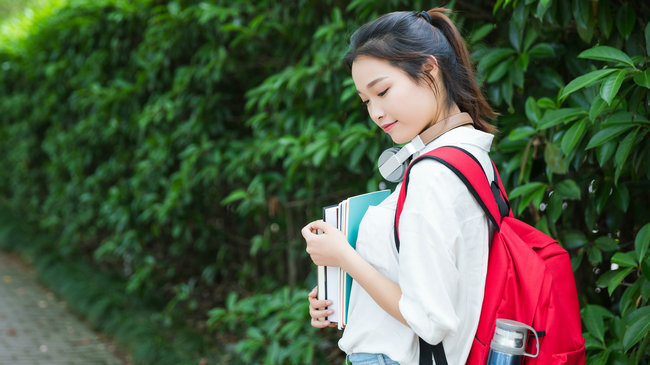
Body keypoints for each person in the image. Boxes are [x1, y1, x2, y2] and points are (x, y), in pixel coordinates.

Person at [302, 8, 498, 365]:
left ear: (429, 69)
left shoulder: (432, 175)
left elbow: (429, 318)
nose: (375, 112)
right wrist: (345, 288)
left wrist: (343, 256)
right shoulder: (469, 156)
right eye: (366, 101)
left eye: (383, 91)